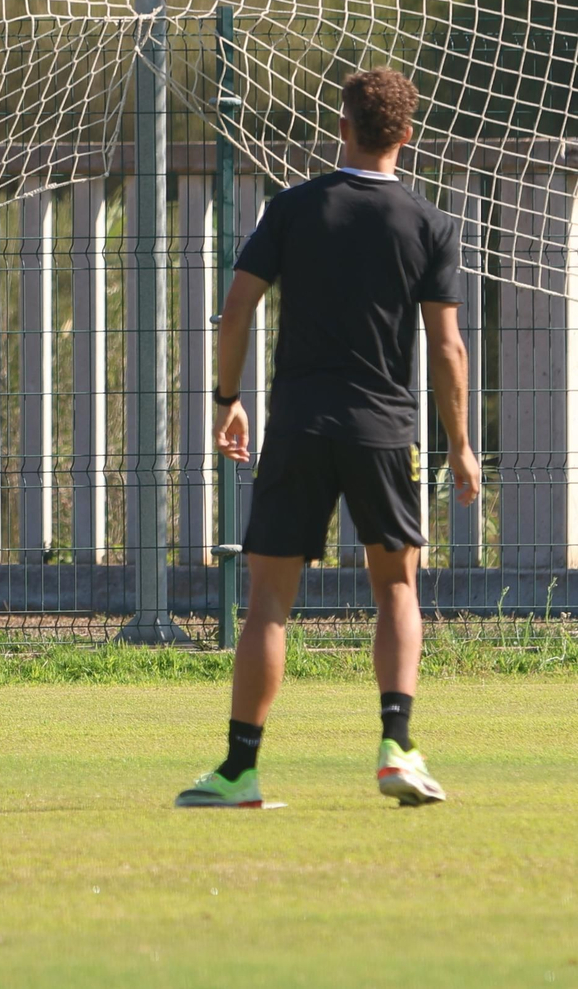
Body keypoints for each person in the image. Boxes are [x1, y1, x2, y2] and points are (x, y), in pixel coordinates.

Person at [175, 67, 480, 809]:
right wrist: (461, 443)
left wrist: (228, 399)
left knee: (269, 605)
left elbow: (237, 308)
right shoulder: (429, 222)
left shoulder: (292, 208)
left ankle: (240, 769)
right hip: (386, 430)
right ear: (406, 136)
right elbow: (447, 348)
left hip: (301, 425)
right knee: (397, 587)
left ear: (340, 128)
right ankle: (397, 745)